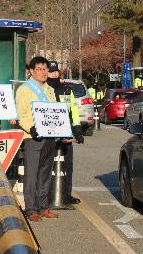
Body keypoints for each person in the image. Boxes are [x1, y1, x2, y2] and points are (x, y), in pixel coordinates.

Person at [16, 56, 58, 222]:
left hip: (49, 135)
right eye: (39, 69)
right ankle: (31, 209)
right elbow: (21, 115)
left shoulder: (50, 90)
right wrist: (31, 128)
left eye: (45, 69)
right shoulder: (24, 90)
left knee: (45, 173)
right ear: (31, 71)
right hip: (32, 137)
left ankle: (43, 206)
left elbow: (55, 111)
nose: (43, 72)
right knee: (32, 174)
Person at [47, 61, 83, 206]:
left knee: (68, 166)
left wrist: (78, 129)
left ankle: (66, 194)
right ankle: (47, 195)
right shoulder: (43, 89)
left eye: (56, 72)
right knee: (48, 165)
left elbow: (73, 109)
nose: (55, 74)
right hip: (49, 134)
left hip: (66, 132)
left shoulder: (67, 89)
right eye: (52, 71)